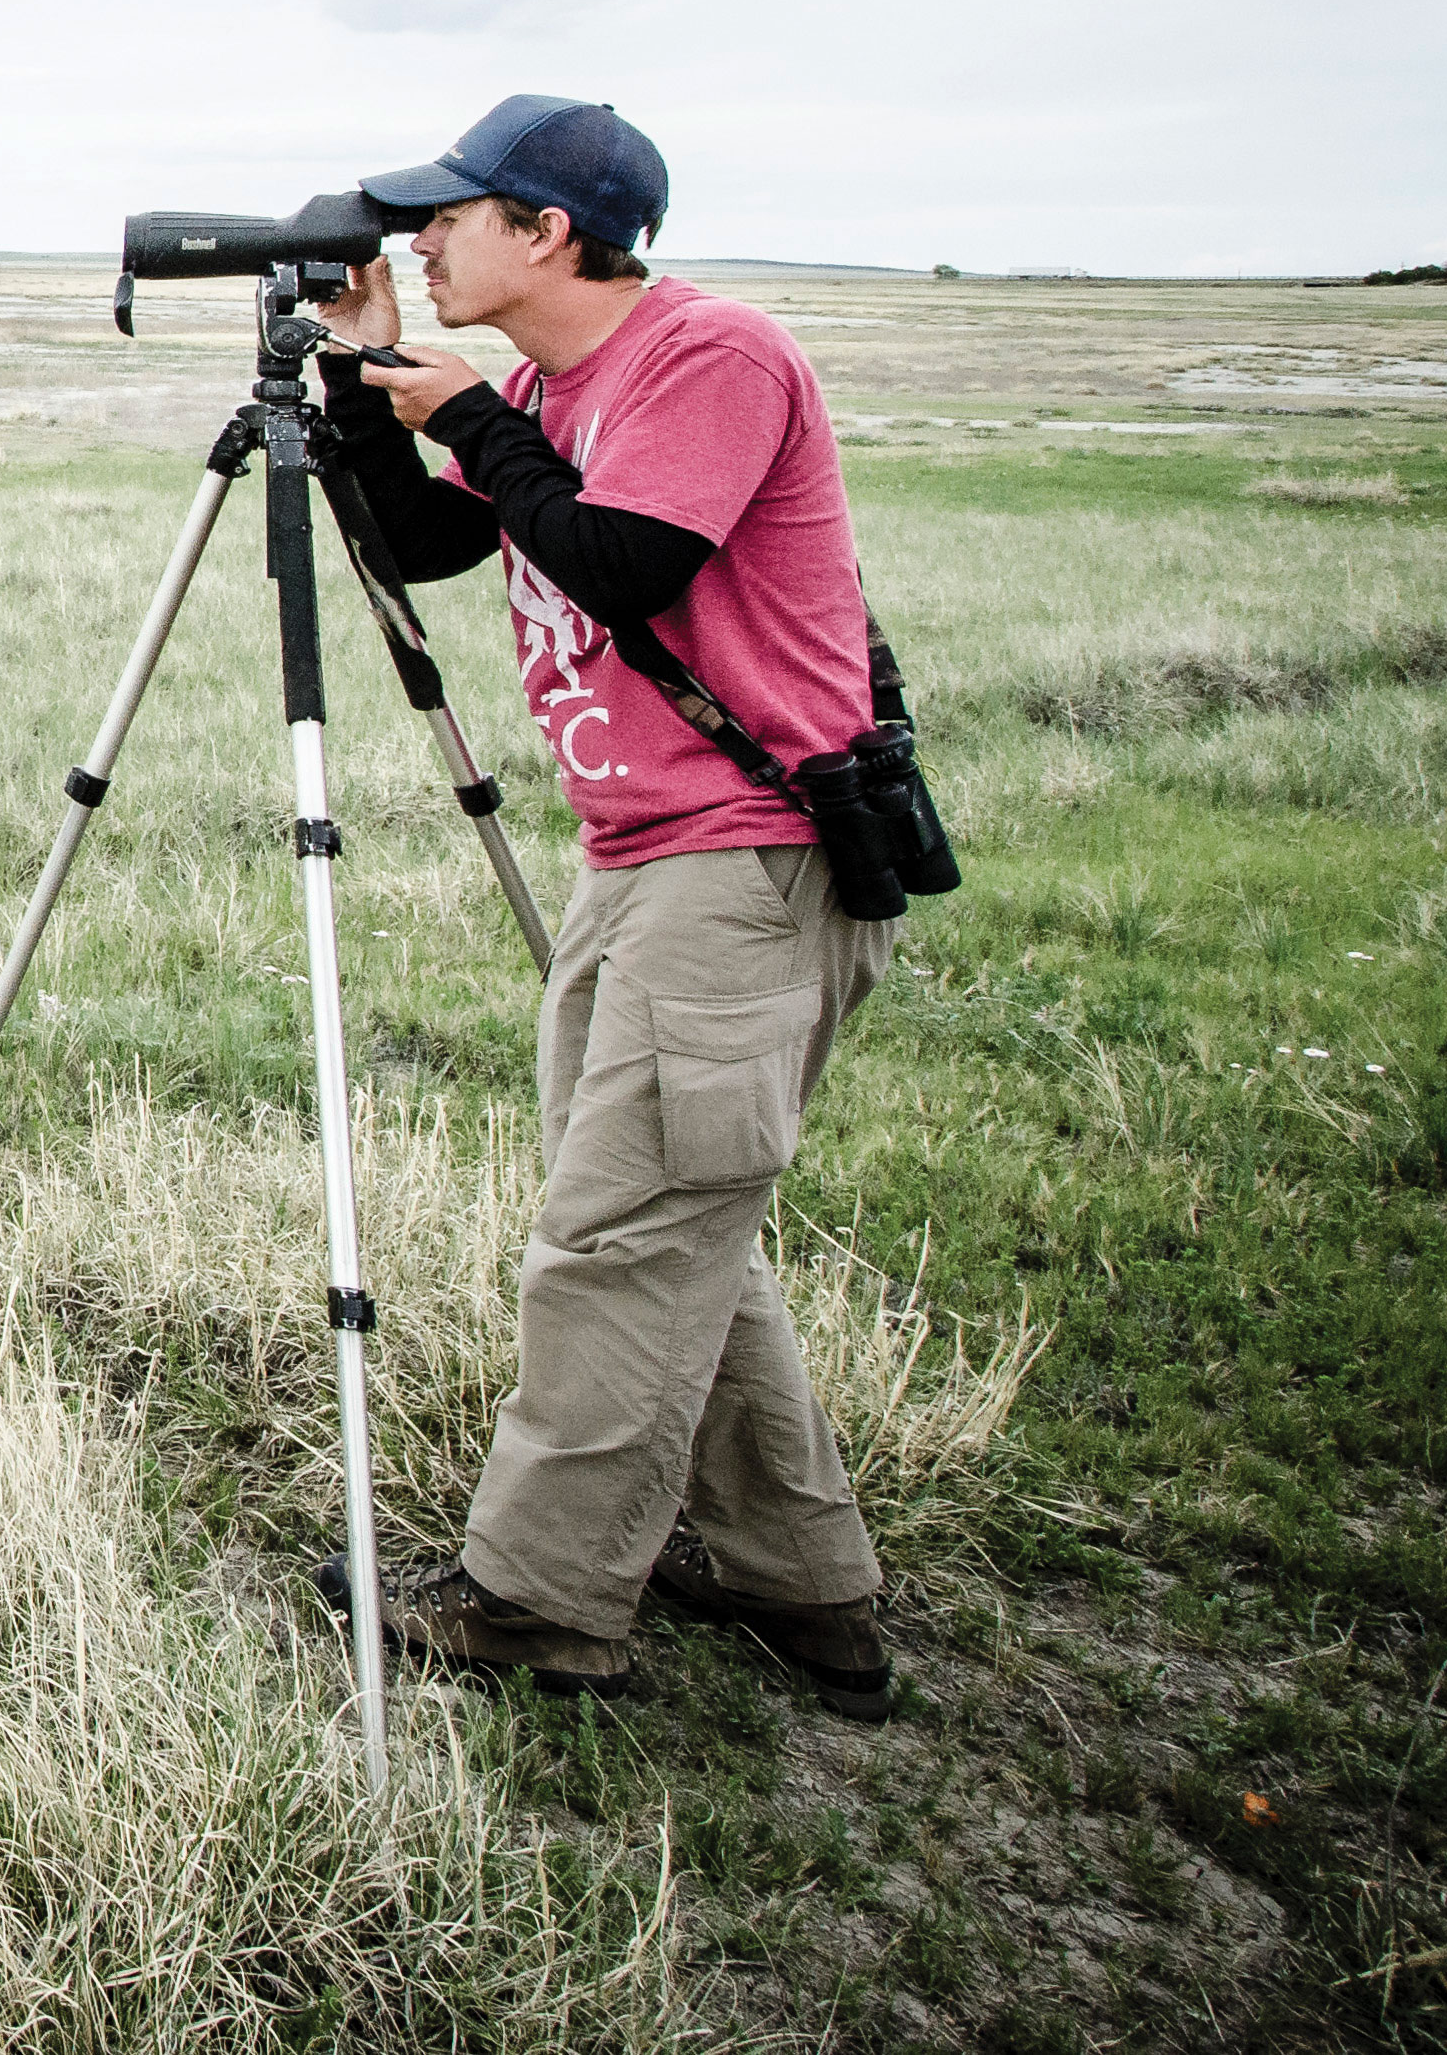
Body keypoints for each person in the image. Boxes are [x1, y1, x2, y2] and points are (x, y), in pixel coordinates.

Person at [298, 93, 901, 1721]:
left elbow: (620, 557)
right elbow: (431, 539)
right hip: (645, 861)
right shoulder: (571, 384)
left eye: (451, 217)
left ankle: (542, 1604)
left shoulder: (708, 360)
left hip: (743, 860)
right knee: (672, 1229)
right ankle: (799, 1576)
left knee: (618, 1243)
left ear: (547, 230)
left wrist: (481, 416)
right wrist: (369, 387)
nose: (422, 242)